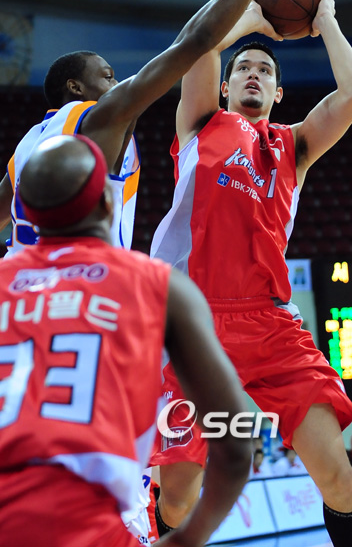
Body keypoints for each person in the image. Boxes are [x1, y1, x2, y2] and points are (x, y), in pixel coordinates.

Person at [148, 0, 352, 546]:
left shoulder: (293, 145)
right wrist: (250, 22)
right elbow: (197, 42)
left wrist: (325, 19)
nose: (253, 73)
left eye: (265, 72)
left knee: (337, 476)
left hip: (271, 325)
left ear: (277, 93)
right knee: (179, 491)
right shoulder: (201, 123)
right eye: (243, 67)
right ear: (225, 86)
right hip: (195, 324)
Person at [0, 0, 321, 256]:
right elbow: (195, 40)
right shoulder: (100, 117)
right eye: (107, 77)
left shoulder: (28, 144)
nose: (115, 85)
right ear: (75, 87)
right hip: (81, 279)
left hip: (17, 281)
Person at [0, 134, 252, 547]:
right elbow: (236, 443)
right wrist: (186, 540)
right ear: (108, 203)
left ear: (25, 213)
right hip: (89, 528)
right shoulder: (157, 285)